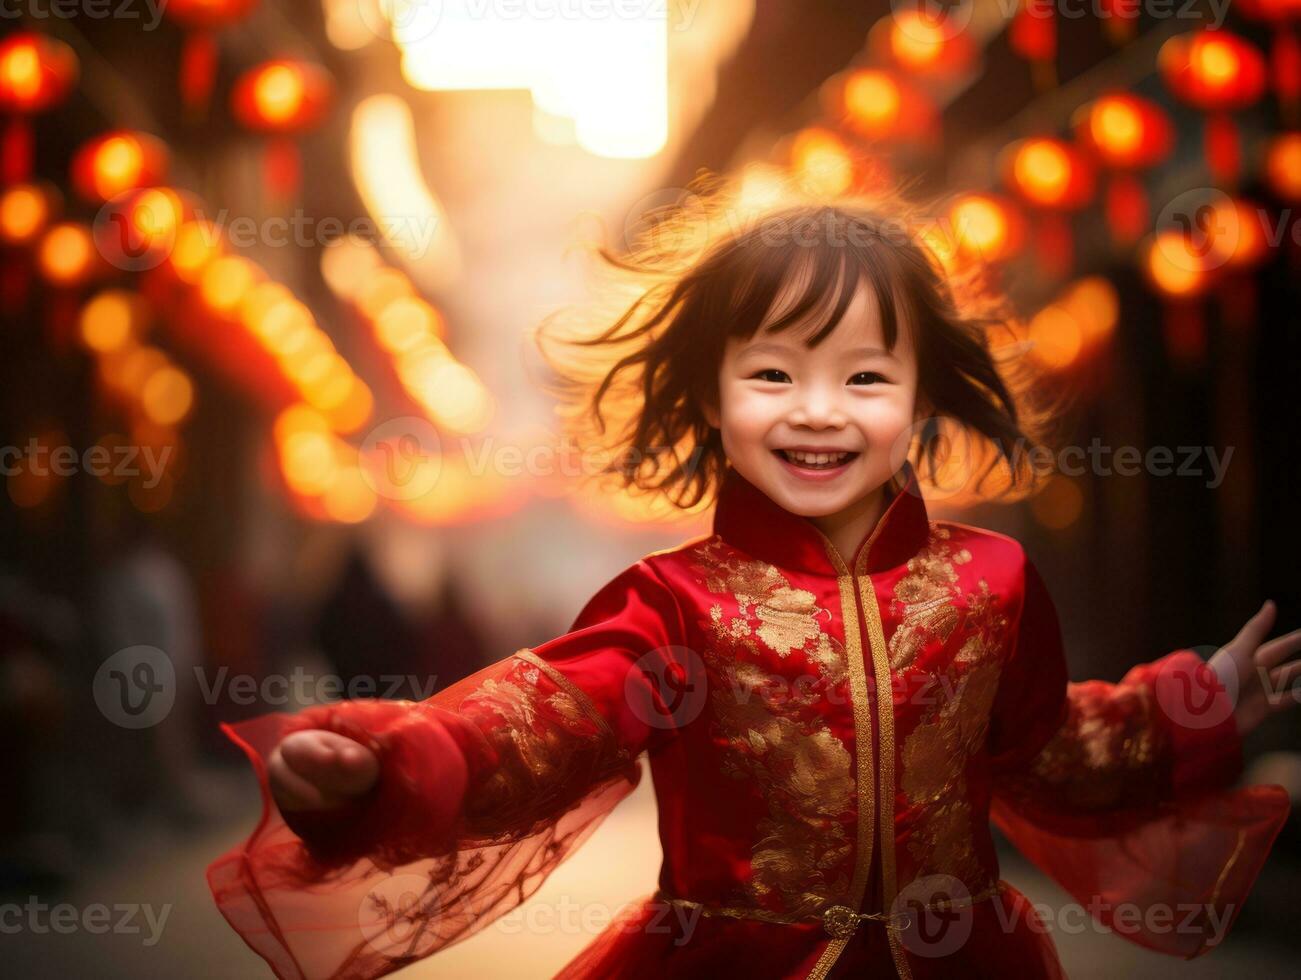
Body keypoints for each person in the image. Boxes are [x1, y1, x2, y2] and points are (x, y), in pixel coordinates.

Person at [207, 184, 1298, 980]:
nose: (816, 409)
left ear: (919, 395)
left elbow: (1048, 747)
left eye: (863, 375)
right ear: (710, 398)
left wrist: (1191, 706)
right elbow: (540, 721)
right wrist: (387, 760)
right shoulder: (673, 604)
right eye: (772, 372)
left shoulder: (991, 581)